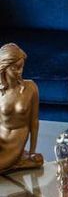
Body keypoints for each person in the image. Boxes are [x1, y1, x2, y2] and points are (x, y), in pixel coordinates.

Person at [0, 43, 43, 174]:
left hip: (16, 142)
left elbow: (34, 123)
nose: (19, 72)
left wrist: (32, 152)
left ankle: (21, 160)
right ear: (4, 68)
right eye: (15, 68)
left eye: (21, 67)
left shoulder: (31, 88)